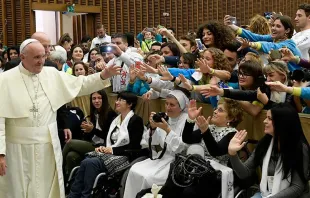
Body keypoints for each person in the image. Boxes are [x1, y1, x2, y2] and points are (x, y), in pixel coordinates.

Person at [0, 38, 121, 198]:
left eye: (43, 56)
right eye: (36, 57)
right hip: (16, 148)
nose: (41, 61)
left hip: (47, 146)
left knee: (46, 189)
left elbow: (81, 84)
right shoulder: (5, 80)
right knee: (18, 189)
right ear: (22, 57)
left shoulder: (51, 74)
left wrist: (104, 75)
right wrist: (1, 153)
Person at [68, 91, 144, 198]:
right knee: (86, 161)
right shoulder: (116, 120)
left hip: (125, 156)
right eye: (117, 99)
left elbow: (134, 146)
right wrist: (104, 147)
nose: (117, 102)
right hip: (111, 151)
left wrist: (111, 150)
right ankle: (73, 195)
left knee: (91, 163)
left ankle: (85, 196)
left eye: (121, 100)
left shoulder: (135, 120)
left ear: (130, 104)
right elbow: (111, 140)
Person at [228, 103, 310, 198]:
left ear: (283, 123)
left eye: (270, 119)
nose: (264, 121)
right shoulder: (265, 143)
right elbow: (244, 173)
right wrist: (232, 153)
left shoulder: (300, 148)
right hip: (266, 193)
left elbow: (297, 187)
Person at [124, 90, 189, 198]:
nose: (168, 108)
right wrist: (153, 129)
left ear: (181, 106)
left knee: (147, 177)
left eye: (172, 105)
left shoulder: (187, 121)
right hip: (160, 157)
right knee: (134, 169)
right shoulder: (164, 117)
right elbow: (152, 145)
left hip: (176, 162)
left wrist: (167, 130)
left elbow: (181, 148)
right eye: (166, 103)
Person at [63, 90, 117, 183]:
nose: (96, 101)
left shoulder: (111, 114)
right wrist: (86, 129)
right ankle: (72, 183)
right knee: (71, 155)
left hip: (102, 147)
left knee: (70, 143)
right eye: (94, 98)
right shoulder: (94, 113)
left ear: (104, 100)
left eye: (99, 98)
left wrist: (93, 130)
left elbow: (109, 137)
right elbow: (91, 135)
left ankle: (59, 171)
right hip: (92, 143)